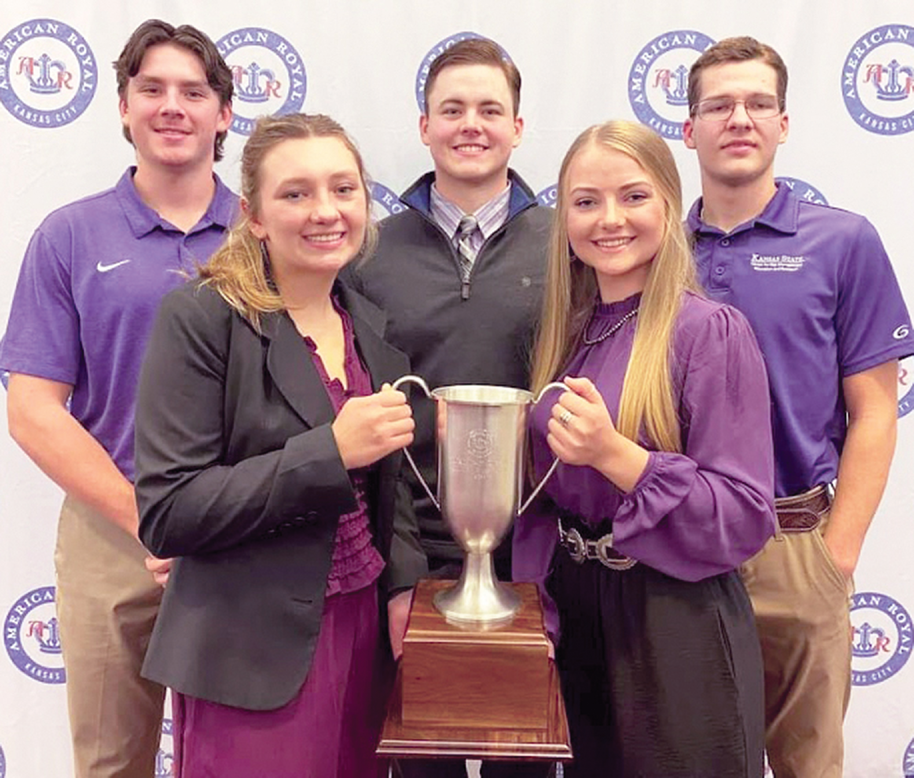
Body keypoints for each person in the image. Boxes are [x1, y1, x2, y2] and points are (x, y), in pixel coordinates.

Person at [133, 113, 426, 778]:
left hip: (361, 634)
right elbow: (170, 509)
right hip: (251, 652)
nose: (325, 211)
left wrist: (405, 583)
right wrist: (331, 450)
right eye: (295, 194)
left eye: (343, 189)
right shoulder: (203, 318)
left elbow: (390, 488)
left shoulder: (368, 325)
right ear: (254, 215)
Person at [0, 20, 234, 777]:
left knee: (245, 756)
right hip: (113, 529)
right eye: (152, 89)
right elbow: (33, 408)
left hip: (243, 531)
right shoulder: (68, 235)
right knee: (110, 762)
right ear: (124, 108)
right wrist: (149, 519)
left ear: (224, 114)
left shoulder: (266, 233)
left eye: (193, 91)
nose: (173, 106)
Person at [514, 120, 776, 778]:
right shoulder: (566, 334)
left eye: (632, 197)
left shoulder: (709, 332)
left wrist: (615, 456)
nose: (609, 219)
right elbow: (544, 503)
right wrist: (534, 604)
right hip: (578, 614)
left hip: (674, 620)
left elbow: (744, 514)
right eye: (585, 201)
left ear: (667, 202)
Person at [682, 36, 914, 778]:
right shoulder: (651, 249)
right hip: (678, 549)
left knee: (807, 766)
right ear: (689, 129)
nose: (739, 118)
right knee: (683, 758)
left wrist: (833, 556)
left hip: (795, 543)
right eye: (719, 105)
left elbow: (877, 412)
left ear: (785, 123)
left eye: (757, 104)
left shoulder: (842, 242)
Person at [344, 36, 552, 778]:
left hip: (537, 558)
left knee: (526, 758)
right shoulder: (367, 250)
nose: (472, 124)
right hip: (410, 553)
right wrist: (398, 568)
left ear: (518, 127)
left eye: (490, 109)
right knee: (419, 757)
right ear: (424, 125)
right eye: (452, 108)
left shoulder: (567, 247)